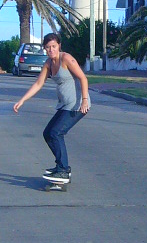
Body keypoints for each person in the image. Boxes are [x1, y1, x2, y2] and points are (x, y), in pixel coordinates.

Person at [12, 32, 90, 184]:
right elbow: (38, 84)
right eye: (48, 47)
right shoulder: (48, 63)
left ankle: (63, 170)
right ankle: (61, 167)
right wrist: (22, 100)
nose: (51, 50)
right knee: (48, 133)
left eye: (53, 46)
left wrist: (85, 100)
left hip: (76, 105)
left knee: (56, 133)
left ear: (59, 46)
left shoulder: (66, 58)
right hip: (64, 105)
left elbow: (83, 78)